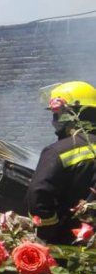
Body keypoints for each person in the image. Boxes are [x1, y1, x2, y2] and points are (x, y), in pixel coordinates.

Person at [26, 81, 96, 244]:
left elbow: (38, 195)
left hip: (71, 242)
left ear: (71, 114)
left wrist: (51, 230)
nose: (54, 120)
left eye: (56, 114)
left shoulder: (58, 150)